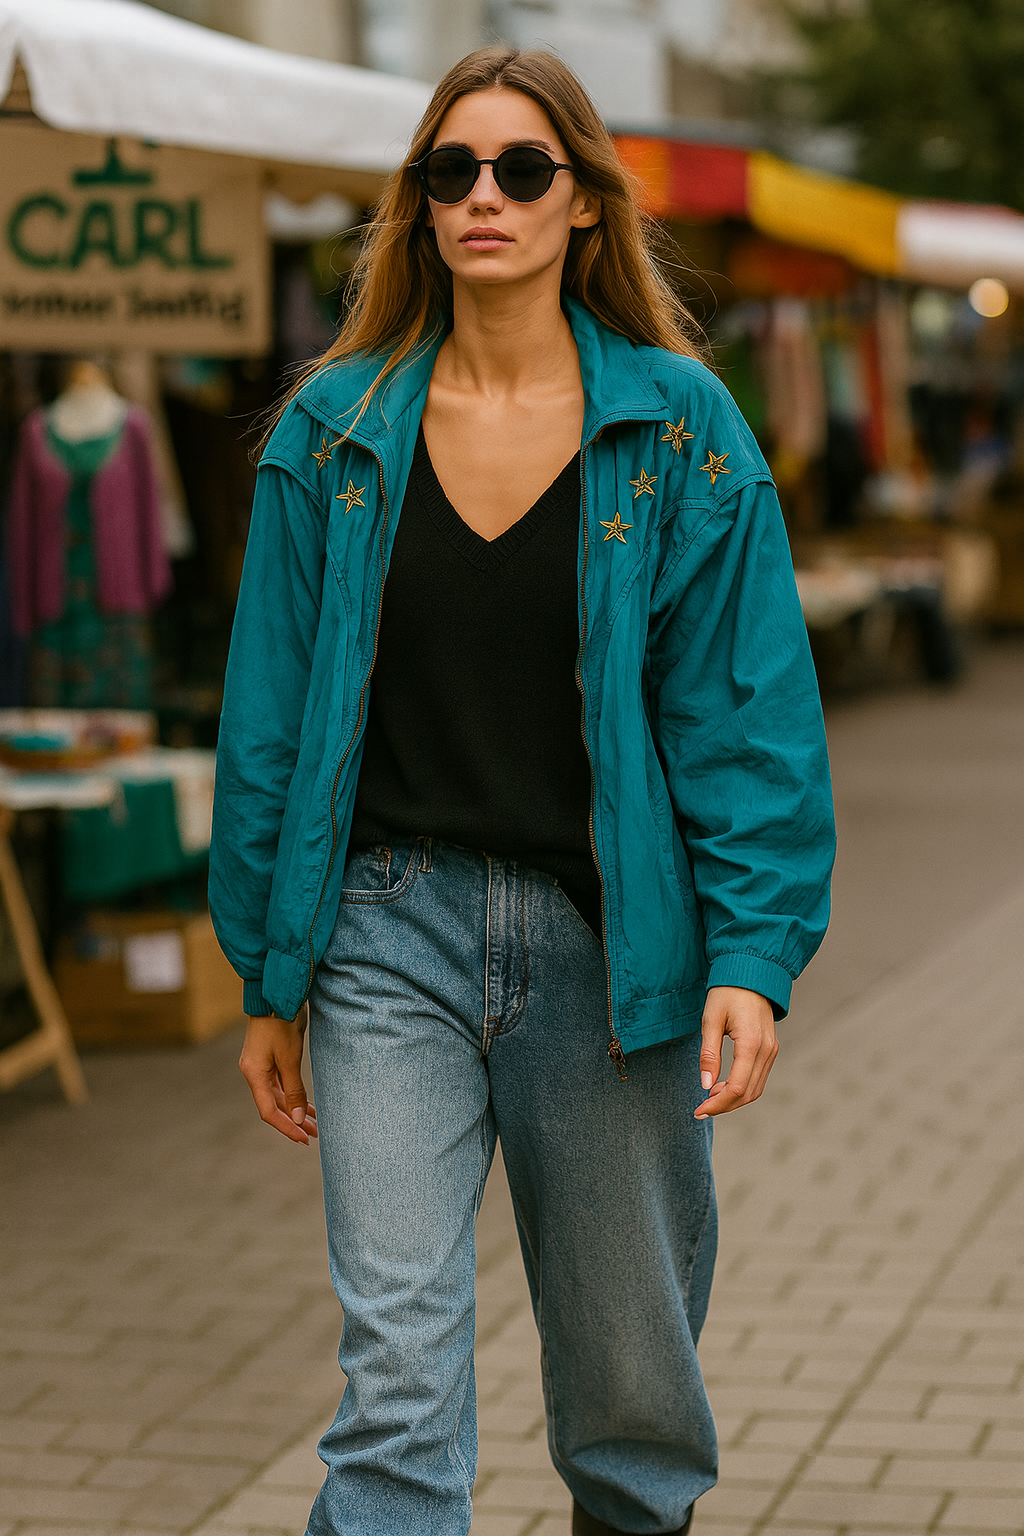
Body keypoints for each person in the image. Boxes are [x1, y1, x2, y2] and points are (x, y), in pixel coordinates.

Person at [209, 46, 835, 1536]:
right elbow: (270, 720)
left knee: (629, 1398)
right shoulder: (334, 430)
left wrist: (753, 954)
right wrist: (267, 975)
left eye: (522, 168)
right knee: (397, 1389)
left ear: (585, 203)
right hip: (383, 938)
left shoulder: (681, 429)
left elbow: (746, 714)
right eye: (453, 170)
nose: (484, 195)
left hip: (610, 950)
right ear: (421, 205)